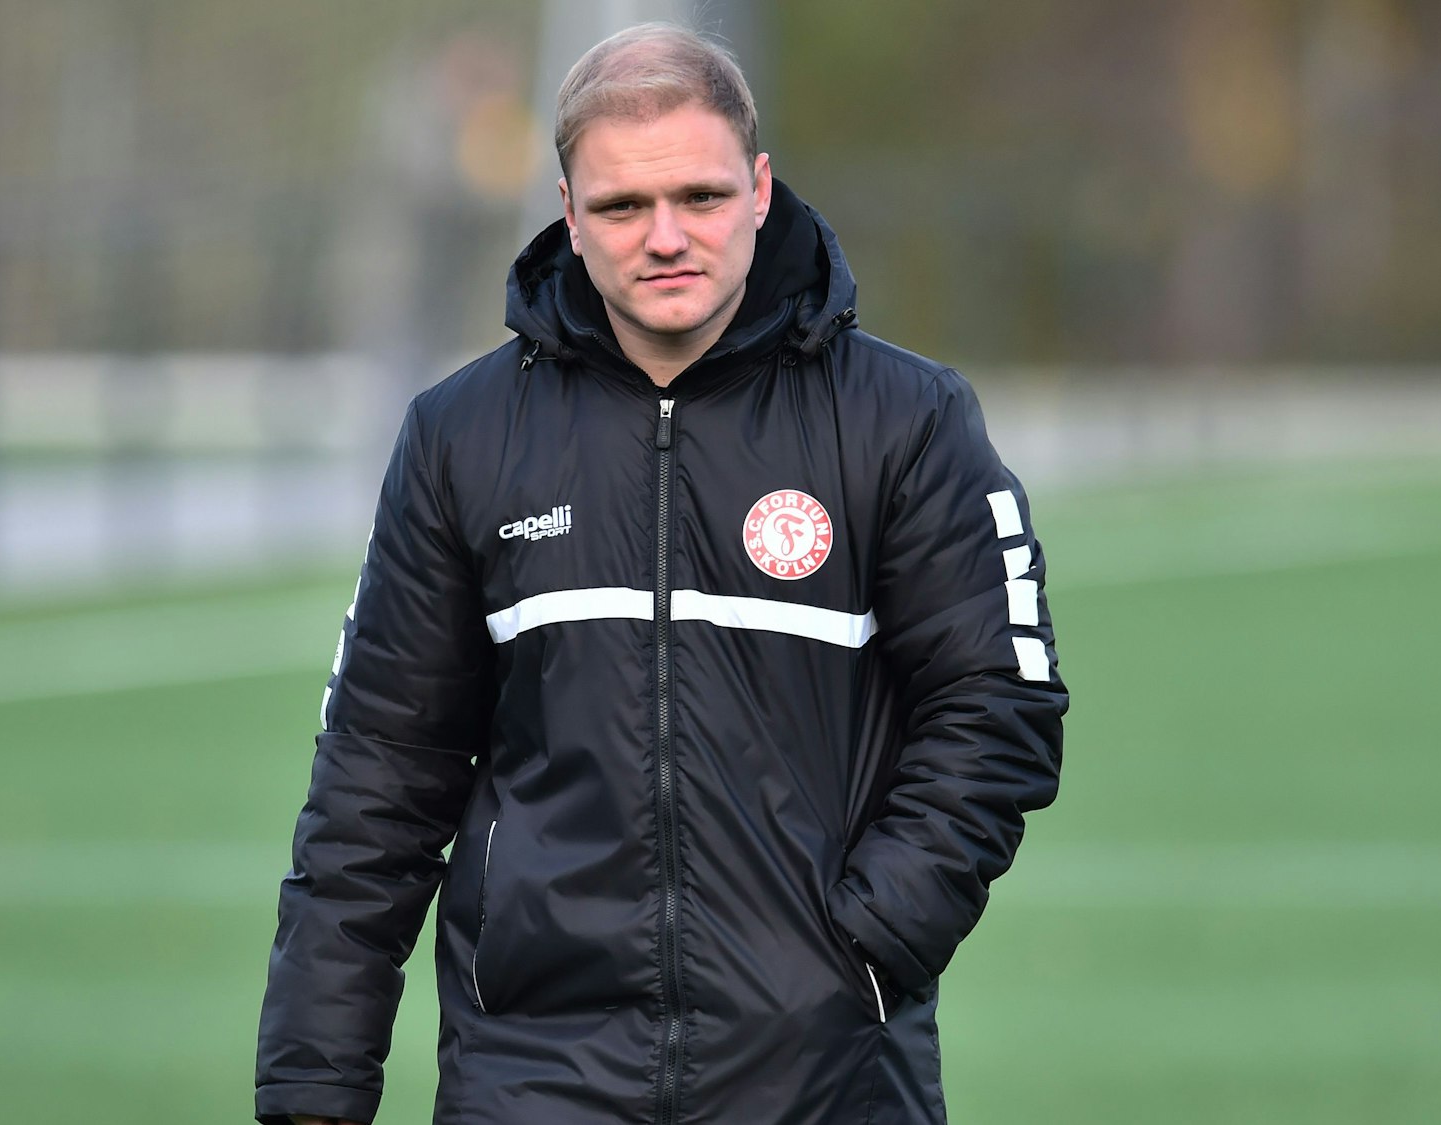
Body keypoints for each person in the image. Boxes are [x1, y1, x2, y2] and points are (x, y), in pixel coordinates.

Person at [255, 22, 1065, 1125]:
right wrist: (314, 1080)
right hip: (531, 1076)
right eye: (623, 207)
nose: (665, 237)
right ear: (568, 213)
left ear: (760, 188)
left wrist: (862, 953)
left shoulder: (906, 421)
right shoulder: (462, 436)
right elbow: (377, 778)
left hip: (823, 1076)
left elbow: (996, 707)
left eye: (700, 196)